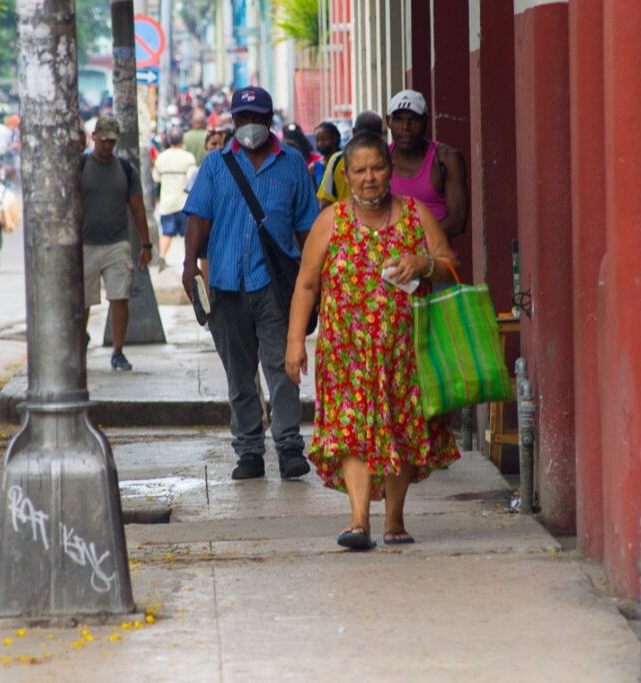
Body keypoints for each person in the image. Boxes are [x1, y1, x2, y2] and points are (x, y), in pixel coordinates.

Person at [285, 132, 461, 549]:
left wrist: (424, 263)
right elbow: (306, 285)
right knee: (352, 432)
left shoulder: (416, 215)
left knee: (400, 429)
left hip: (405, 352)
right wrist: (295, 342)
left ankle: (395, 520)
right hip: (345, 353)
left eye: (378, 168)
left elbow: (450, 265)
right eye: (360, 170)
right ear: (346, 174)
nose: (369, 178)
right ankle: (359, 521)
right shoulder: (331, 221)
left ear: (391, 171)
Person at [182, 86, 318, 481]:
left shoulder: (292, 164)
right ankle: (249, 452)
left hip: (275, 287)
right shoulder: (215, 164)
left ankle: (290, 446)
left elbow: (307, 226)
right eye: (242, 118)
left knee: (283, 368)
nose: (249, 126)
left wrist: (315, 281)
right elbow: (198, 218)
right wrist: (190, 265)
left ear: (269, 120)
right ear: (233, 120)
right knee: (239, 376)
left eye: (257, 119)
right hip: (225, 285)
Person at [82, 117, 153, 371]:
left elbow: (137, 207)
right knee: (83, 301)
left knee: (119, 297)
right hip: (85, 244)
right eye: (104, 140)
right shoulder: (80, 166)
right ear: (94, 137)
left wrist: (146, 245)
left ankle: (118, 350)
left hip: (116, 243)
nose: (107, 145)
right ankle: (80, 343)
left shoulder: (125, 169)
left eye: (112, 141)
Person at [386, 90, 469, 239]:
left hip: (434, 258)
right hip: (386, 255)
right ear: (388, 121)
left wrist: (412, 242)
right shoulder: (380, 160)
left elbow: (458, 220)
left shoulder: (446, 159)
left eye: (414, 120)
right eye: (398, 119)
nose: (406, 127)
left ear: (426, 121)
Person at [317, 111, 384, 208]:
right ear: (381, 135)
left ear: (353, 132)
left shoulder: (337, 160)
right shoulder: (387, 159)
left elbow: (325, 203)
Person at [152, 126, 197, 267]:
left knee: (166, 233)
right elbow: (192, 179)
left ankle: (162, 257)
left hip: (167, 203)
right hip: (184, 203)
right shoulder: (188, 157)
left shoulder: (161, 157)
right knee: (187, 236)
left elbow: (156, 178)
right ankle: (189, 260)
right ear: (182, 140)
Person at [312, 122, 341, 187]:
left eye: (324, 139)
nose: (320, 144)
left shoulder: (347, 161)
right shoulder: (313, 168)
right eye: (317, 140)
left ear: (335, 138)